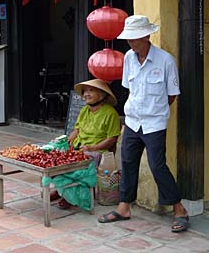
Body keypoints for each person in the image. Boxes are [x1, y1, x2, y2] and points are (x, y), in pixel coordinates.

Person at [98, 15, 189, 233]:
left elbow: (171, 95)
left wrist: (154, 110)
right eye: (128, 39)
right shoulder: (129, 58)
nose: (131, 43)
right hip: (132, 121)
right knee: (128, 162)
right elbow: (130, 89)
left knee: (158, 166)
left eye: (135, 38)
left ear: (147, 36)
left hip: (154, 123)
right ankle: (124, 207)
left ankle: (179, 209)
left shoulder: (165, 60)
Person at [50, 78, 121, 208]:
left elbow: (112, 139)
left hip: (98, 152)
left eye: (91, 90)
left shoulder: (110, 113)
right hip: (80, 148)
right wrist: (67, 141)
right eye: (85, 91)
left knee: (76, 166)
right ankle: (63, 190)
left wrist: (92, 147)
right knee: (55, 157)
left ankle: (73, 196)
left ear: (102, 95)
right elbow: (77, 129)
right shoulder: (84, 110)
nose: (86, 94)